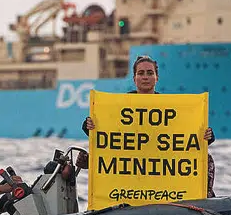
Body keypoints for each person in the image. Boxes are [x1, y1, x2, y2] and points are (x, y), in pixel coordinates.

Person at [81, 55, 218, 197]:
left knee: (207, 159)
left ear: (156, 77)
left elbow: (185, 136)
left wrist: (207, 135)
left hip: (159, 162)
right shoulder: (120, 105)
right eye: (140, 73)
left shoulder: (169, 107)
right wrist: (89, 125)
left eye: (150, 73)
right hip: (131, 162)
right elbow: (106, 133)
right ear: (134, 78)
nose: (145, 77)